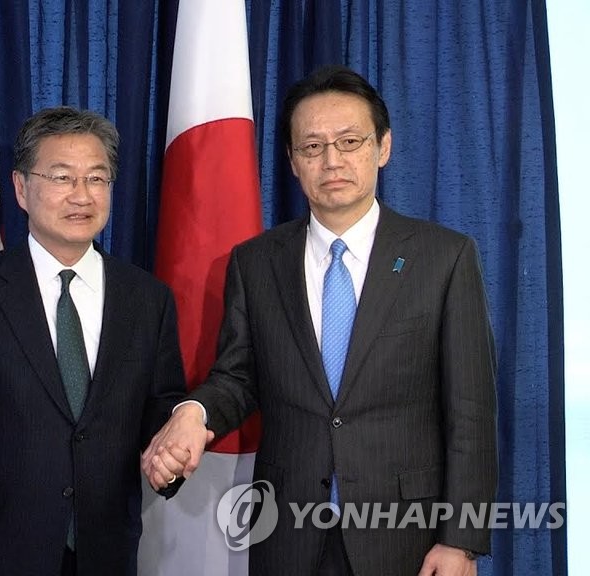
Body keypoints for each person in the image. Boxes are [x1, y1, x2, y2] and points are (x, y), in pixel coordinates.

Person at [142, 65, 498, 576]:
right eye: (312, 147)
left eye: (350, 141)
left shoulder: (444, 257)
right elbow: (238, 378)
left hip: (408, 537)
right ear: (292, 161)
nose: (332, 160)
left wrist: (460, 542)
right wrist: (194, 413)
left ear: (383, 147)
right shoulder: (256, 262)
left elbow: (471, 412)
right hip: (287, 533)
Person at [0, 106, 187, 575]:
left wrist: (170, 454)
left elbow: (163, 404)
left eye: (96, 178)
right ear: (21, 188)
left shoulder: (147, 298)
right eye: (61, 177)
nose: (82, 195)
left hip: (105, 553)